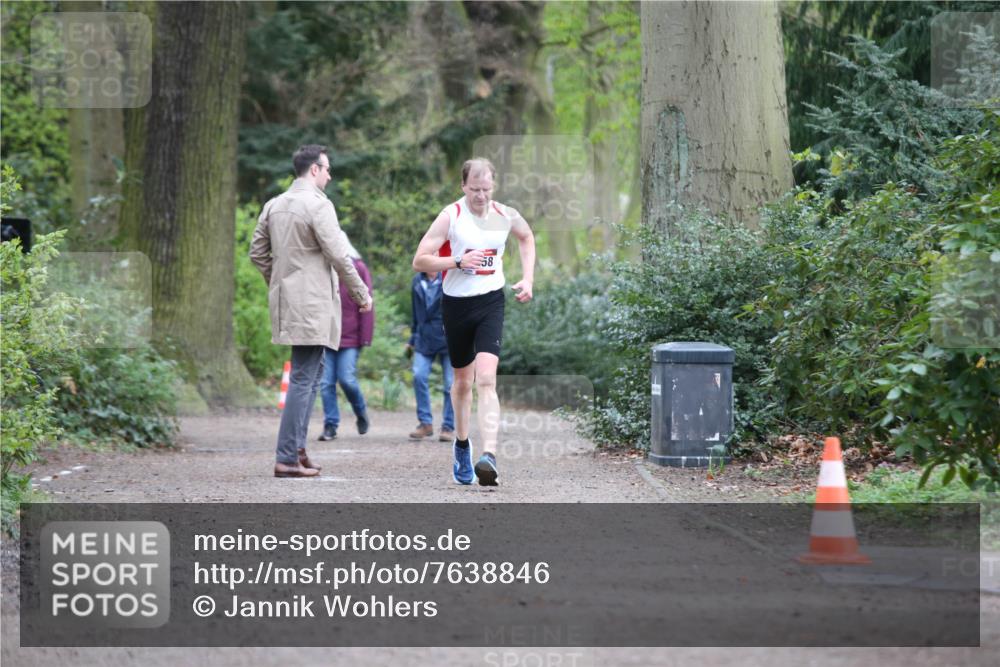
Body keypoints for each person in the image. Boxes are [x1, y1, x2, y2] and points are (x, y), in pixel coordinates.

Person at [250, 144, 372, 478]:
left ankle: (298, 449)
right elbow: (338, 254)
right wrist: (360, 292)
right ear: (314, 169)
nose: (330, 175)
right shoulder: (319, 205)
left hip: (290, 302)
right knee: (305, 379)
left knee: (313, 374)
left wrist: (279, 283)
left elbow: (257, 253)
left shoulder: (273, 205)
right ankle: (286, 457)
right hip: (314, 304)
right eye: (327, 168)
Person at [411, 157, 535, 486]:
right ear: (463, 186)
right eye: (475, 189)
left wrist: (528, 278)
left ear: (493, 186)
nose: (481, 195)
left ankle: (489, 455)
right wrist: (456, 261)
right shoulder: (450, 216)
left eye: (486, 189)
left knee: (487, 379)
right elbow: (419, 259)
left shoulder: (504, 215)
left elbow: (526, 237)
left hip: (491, 301)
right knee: (462, 384)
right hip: (455, 306)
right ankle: (462, 445)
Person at [318, 232, 374, 441]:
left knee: (347, 379)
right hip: (326, 336)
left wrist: (365, 337)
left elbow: (368, 303)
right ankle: (330, 425)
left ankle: (360, 412)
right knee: (326, 383)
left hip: (351, 338)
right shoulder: (323, 267)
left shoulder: (358, 267)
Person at [406, 269, 455, 442]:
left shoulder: (450, 277)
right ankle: (425, 423)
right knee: (418, 375)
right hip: (423, 337)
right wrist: (412, 338)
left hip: (450, 337)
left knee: (451, 383)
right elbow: (415, 313)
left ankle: (448, 426)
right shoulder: (417, 281)